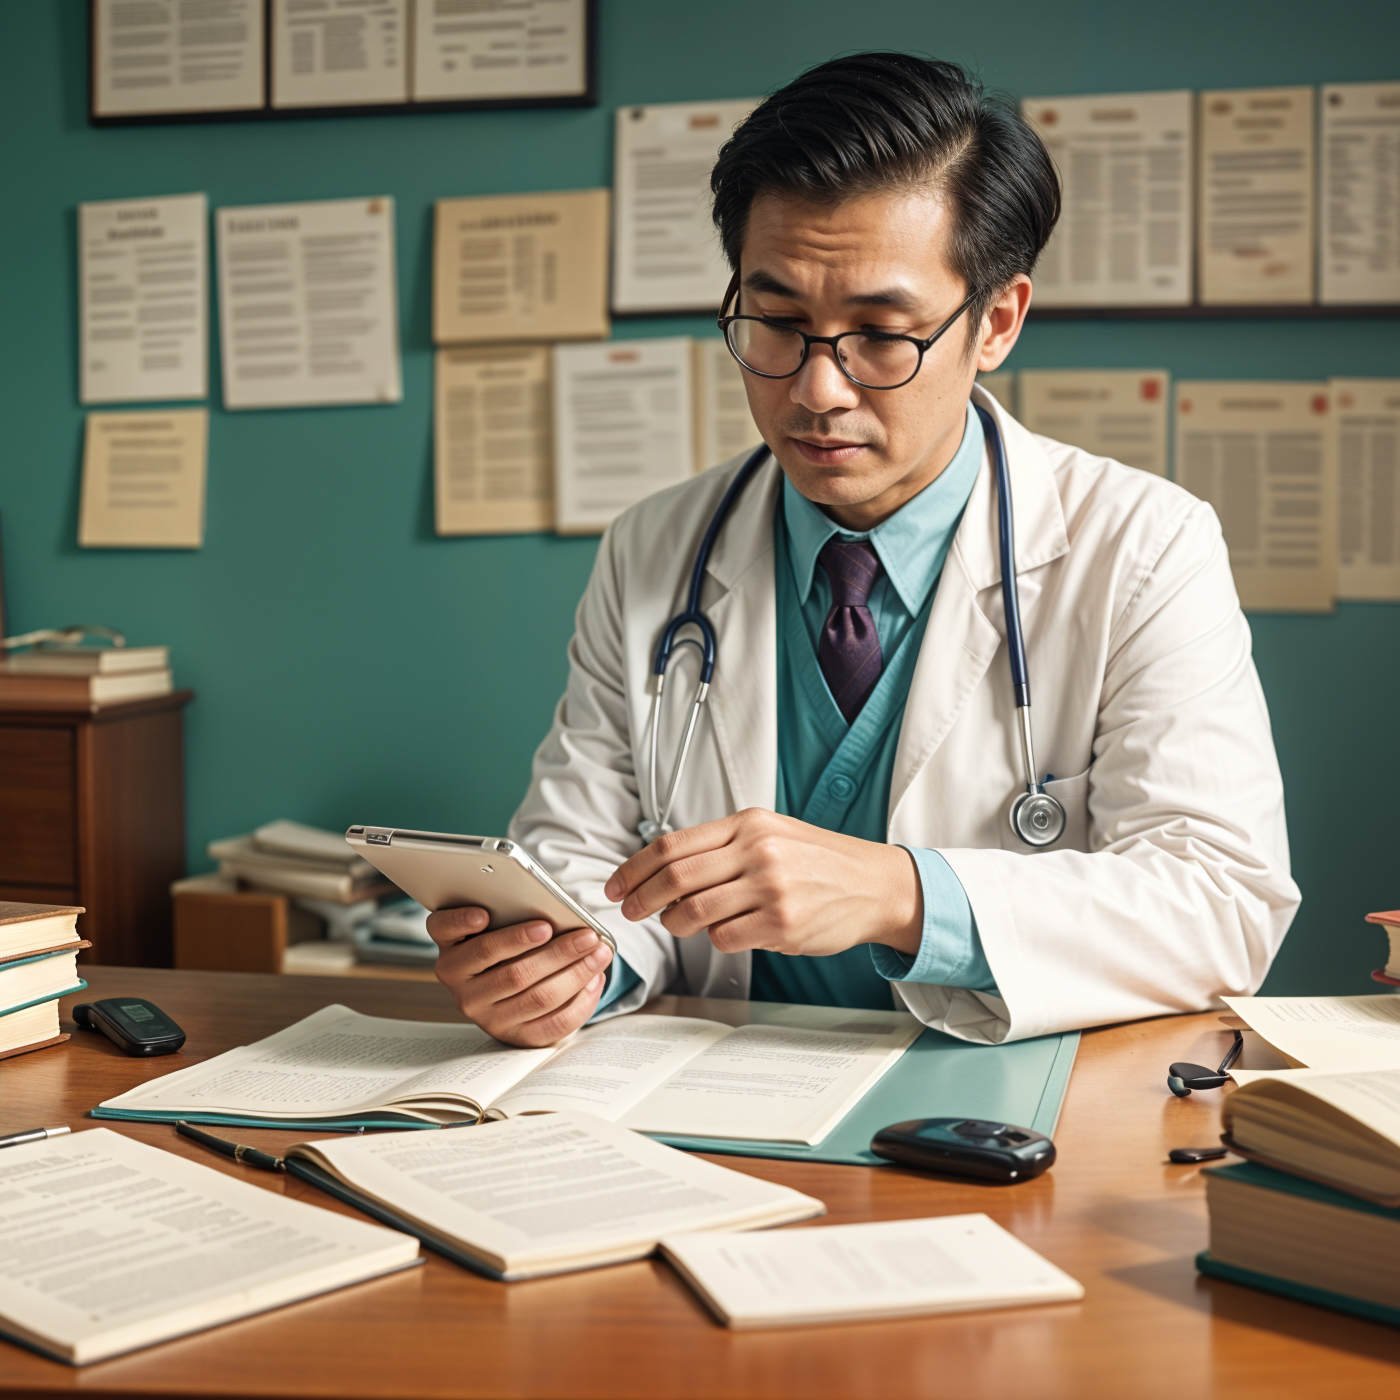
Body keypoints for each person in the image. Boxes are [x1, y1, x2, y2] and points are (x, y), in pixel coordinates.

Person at [428, 52, 1300, 1049]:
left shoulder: (1140, 546)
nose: (816, 390)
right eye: (778, 323)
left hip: (1003, 1114)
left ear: (994, 321)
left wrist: (901, 894)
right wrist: (561, 964)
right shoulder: (656, 547)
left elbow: (1217, 901)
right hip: (707, 1098)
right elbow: (582, 856)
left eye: (879, 334)